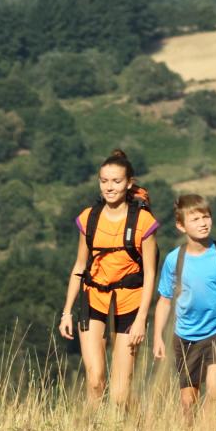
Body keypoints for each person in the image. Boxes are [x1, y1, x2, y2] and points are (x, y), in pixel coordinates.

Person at [58, 148, 159, 407]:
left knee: (120, 393)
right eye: (104, 181)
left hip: (130, 303)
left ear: (129, 183)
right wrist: (67, 311)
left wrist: (141, 320)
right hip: (93, 299)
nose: (109, 187)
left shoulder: (143, 222)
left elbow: (150, 274)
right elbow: (80, 266)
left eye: (116, 181)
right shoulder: (89, 218)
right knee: (95, 381)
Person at [153, 193, 216, 419]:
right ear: (181, 226)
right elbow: (165, 300)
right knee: (188, 403)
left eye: (206, 217)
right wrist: (158, 335)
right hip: (186, 336)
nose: (203, 223)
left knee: (215, 393)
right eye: (195, 219)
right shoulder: (173, 260)